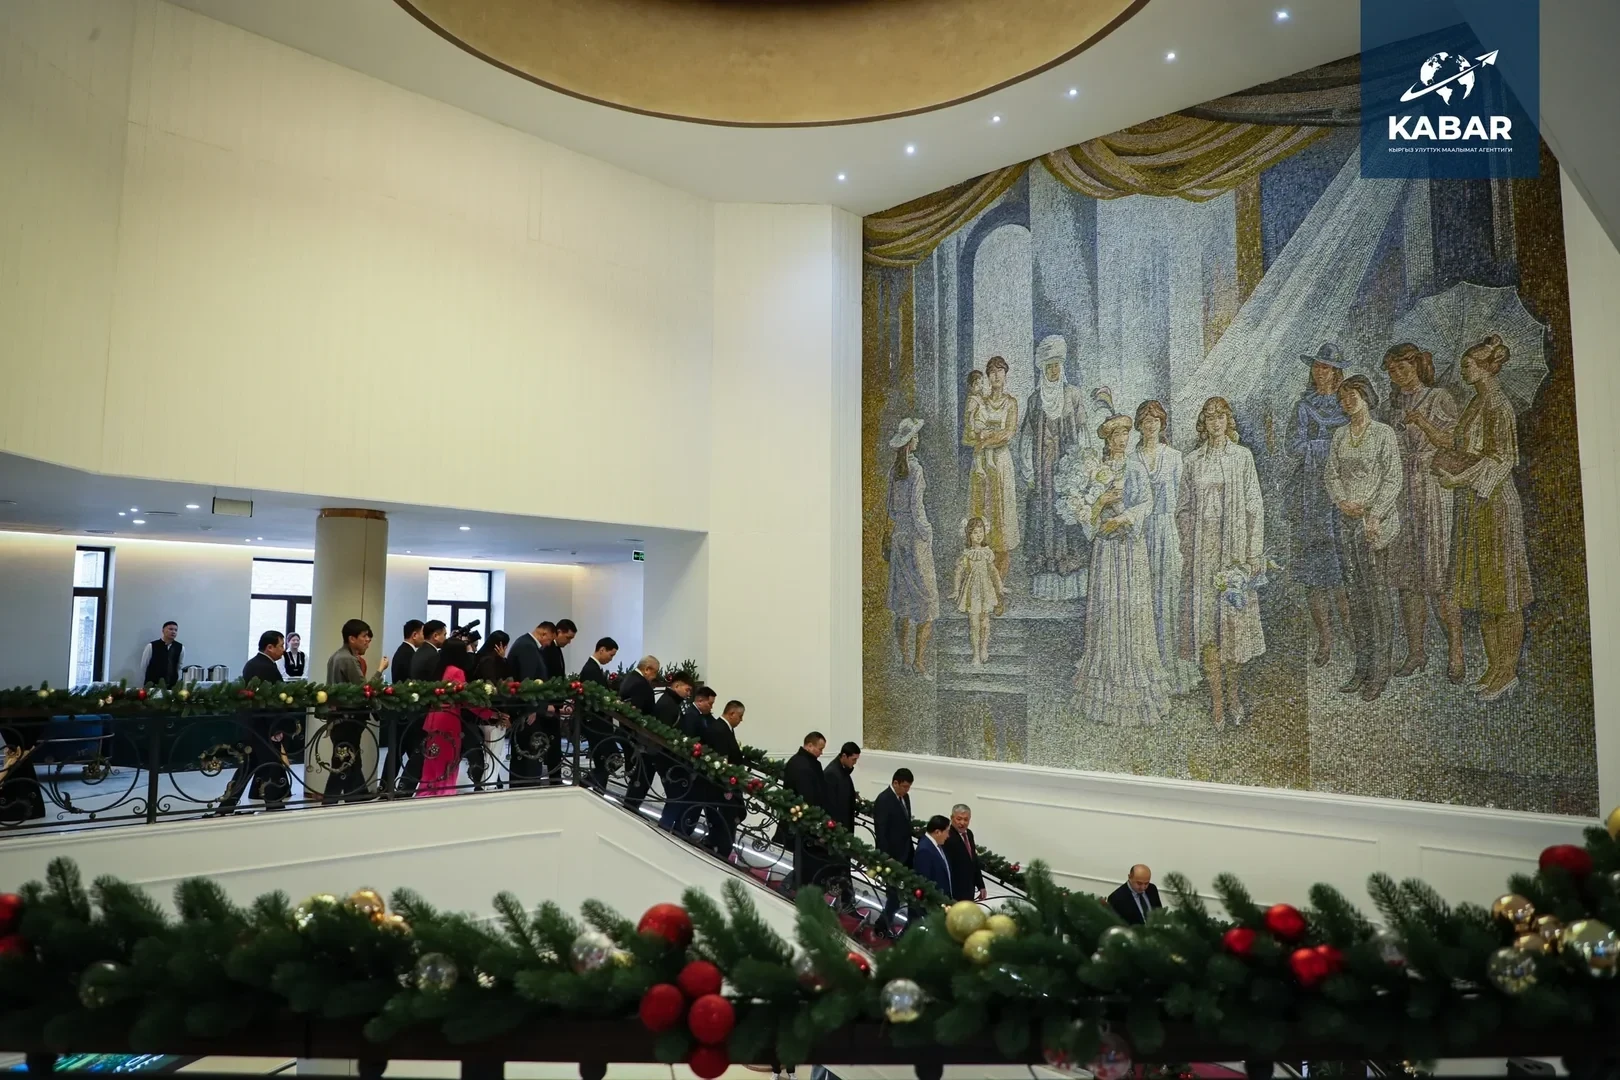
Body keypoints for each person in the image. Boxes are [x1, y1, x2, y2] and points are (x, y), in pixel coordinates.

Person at [1433, 335, 1533, 702]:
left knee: (1505, 593)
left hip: (1496, 504)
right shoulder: (1475, 401)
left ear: (1488, 367)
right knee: (1484, 592)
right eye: (1464, 365)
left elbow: (1502, 459)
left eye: (1468, 365)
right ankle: (1493, 668)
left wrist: (1457, 478)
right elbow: (1464, 447)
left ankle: (1508, 672)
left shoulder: (1498, 405)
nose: (1464, 370)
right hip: (1474, 505)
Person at [1071, 411, 1172, 727]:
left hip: (1130, 547)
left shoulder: (1136, 468)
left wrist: (1122, 518)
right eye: (1116, 435)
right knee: (1108, 610)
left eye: (1126, 434)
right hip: (1106, 549)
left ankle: (1137, 685)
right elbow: (1084, 514)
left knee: (1132, 611)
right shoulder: (1095, 471)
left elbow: (1147, 504)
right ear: (1107, 439)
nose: (1122, 440)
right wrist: (1101, 502)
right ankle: (1105, 686)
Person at [1178, 397, 1266, 729]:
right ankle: (1216, 702)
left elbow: (1255, 506)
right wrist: (1189, 543)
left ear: (1228, 421)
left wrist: (1253, 552)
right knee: (1208, 629)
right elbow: (1182, 509)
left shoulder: (1242, 457)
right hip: (1203, 556)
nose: (1216, 423)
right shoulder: (1192, 461)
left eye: (1221, 417)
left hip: (1233, 552)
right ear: (1203, 423)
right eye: (1210, 417)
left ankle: (1234, 697)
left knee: (1233, 626)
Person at [1383, 343, 1465, 683]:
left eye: (1403, 367)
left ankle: (1456, 650)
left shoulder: (1439, 397)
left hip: (1433, 488)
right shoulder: (1391, 405)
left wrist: (1422, 421)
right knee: (1407, 579)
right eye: (1392, 370)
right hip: (1402, 491)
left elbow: (1452, 442)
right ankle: (1416, 651)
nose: (1398, 375)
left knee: (1439, 575)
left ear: (1417, 366)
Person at [1324, 374, 1402, 703]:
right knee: (1355, 596)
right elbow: (1331, 473)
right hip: (1347, 521)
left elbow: (1393, 478)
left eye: (1352, 396)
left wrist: (1375, 515)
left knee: (1377, 596)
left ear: (1366, 397)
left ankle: (1380, 671)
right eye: (1342, 398)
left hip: (1375, 524)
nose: (1347, 402)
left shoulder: (1383, 434)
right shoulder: (1340, 435)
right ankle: (1362, 667)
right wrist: (1342, 501)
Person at [1289, 344, 1354, 667]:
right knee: (1315, 574)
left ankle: (1352, 636)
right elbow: (1294, 446)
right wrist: (1326, 447)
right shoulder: (1303, 407)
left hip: (1344, 494)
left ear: (1336, 372)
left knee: (1344, 572)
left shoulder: (1348, 403)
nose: (1320, 371)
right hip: (1312, 496)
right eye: (1316, 366)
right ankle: (1325, 639)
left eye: (1326, 367)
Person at [1019, 335, 1090, 601]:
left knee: (1069, 515)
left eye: (1057, 365)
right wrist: (1029, 471)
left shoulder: (1073, 395)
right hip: (1043, 471)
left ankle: (1071, 582)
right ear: (1043, 368)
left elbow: (1083, 432)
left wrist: (1083, 465)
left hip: (1068, 467)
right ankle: (1046, 579)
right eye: (1049, 366)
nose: (1054, 370)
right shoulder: (1034, 400)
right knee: (1044, 516)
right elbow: (1027, 439)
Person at [1133, 401, 1191, 692]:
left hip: (1169, 531)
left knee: (1169, 595)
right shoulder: (1132, 459)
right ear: (1139, 425)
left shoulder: (1175, 457)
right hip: (1141, 533)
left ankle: (1173, 670)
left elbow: (1184, 501)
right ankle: (1147, 669)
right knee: (1144, 598)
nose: (1151, 424)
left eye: (1155, 419)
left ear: (1162, 423)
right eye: (1146, 420)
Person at [884, 418, 939, 679]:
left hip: (899, 537)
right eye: (916, 436)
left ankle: (906, 661)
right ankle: (918, 662)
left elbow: (891, 510)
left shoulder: (893, 472)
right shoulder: (916, 470)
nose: (918, 439)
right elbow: (917, 510)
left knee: (904, 602)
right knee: (927, 602)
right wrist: (927, 532)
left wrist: (900, 526)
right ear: (910, 443)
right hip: (916, 539)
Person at [217, 631, 288, 816]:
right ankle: (274, 803)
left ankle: (227, 804)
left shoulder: (253, 663)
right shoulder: (265, 667)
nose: (283, 650)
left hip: (252, 724)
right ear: (269, 647)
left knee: (248, 765)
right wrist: (276, 727)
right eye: (281, 645)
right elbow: (268, 700)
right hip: (263, 726)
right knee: (271, 764)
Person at [967, 355, 1021, 594]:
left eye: (1000, 371)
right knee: (982, 511)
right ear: (987, 376)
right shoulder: (981, 401)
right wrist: (986, 437)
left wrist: (986, 440)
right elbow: (972, 431)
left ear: (1005, 375)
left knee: (1002, 519)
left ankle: (998, 586)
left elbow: (1008, 433)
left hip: (1001, 465)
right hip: (982, 467)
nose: (996, 376)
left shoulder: (1011, 403)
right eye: (992, 372)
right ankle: (981, 584)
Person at [321, 618, 387, 804]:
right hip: (347, 718)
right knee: (344, 760)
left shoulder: (337, 656)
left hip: (340, 717)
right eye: (364, 636)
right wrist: (380, 670)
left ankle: (357, 796)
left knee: (351, 759)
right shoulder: (347, 659)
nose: (368, 640)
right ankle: (331, 800)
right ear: (352, 638)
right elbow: (365, 690)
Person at [416, 639, 483, 797]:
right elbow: (465, 699)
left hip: (433, 719)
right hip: (448, 720)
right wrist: (490, 714)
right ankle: (444, 793)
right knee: (448, 761)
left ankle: (427, 792)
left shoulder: (440, 669)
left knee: (432, 760)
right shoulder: (456, 672)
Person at [508, 622, 562, 785]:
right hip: (526, 711)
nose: (548, 644)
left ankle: (524, 786)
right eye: (549, 640)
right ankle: (527, 788)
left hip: (526, 708)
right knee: (529, 753)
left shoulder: (526, 643)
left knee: (527, 754)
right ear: (544, 633)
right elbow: (527, 680)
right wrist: (532, 708)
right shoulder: (527, 646)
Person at [951, 517, 1002, 665]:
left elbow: (993, 571)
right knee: (974, 623)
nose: (978, 535)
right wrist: (956, 590)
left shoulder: (987, 552)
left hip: (985, 590)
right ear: (968, 535)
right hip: (971, 592)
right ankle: (975, 654)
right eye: (974, 532)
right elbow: (958, 572)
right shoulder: (967, 554)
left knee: (985, 621)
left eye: (981, 532)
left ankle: (984, 648)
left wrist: (1000, 586)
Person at [383, 619, 427, 792]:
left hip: (404, 711)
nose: (424, 637)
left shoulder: (404, 651)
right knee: (403, 751)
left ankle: (392, 786)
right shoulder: (407, 654)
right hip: (406, 711)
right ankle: (394, 786)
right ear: (414, 634)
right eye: (423, 633)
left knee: (405, 750)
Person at [872, 768, 915, 938]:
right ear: (895, 783)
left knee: (911, 893)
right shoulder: (884, 800)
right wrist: (886, 856)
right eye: (904, 786)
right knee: (894, 896)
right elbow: (881, 831)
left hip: (907, 853)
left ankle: (907, 927)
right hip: (893, 857)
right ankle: (882, 926)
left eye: (909, 787)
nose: (906, 790)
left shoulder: (905, 797)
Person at [467, 631, 512, 790]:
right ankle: (487, 787)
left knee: (488, 753)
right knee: (494, 754)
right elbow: (499, 687)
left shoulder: (478, 658)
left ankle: (486, 786)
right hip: (494, 715)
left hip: (480, 714)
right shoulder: (492, 662)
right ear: (501, 646)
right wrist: (503, 660)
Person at [655, 673, 700, 832]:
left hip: (669, 758)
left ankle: (667, 828)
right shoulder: (668, 704)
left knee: (677, 796)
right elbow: (664, 733)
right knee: (676, 796)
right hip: (667, 758)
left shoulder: (671, 702)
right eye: (687, 690)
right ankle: (664, 829)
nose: (688, 694)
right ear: (676, 685)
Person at [702, 700, 747, 858]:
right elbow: (722, 759)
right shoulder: (720, 729)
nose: (741, 720)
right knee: (725, 820)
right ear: (732, 713)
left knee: (727, 820)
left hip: (725, 785)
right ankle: (720, 849)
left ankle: (720, 846)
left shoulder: (723, 728)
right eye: (740, 716)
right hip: (722, 786)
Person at [616, 655, 661, 811]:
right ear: (647, 669)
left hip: (627, 734)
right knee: (641, 776)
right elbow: (636, 712)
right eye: (655, 672)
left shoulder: (630, 678)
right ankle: (631, 808)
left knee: (638, 775)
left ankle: (631, 807)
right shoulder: (641, 684)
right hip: (637, 739)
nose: (655, 676)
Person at [942, 803, 986, 902]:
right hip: (954, 891)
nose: (962, 823)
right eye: (959, 819)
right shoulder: (947, 836)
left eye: (966, 819)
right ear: (952, 818)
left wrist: (981, 885)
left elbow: (973, 861)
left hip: (969, 889)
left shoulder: (969, 834)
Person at [913, 816, 954, 897]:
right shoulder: (924, 850)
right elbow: (924, 882)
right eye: (947, 832)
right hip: (935, 900)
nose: (948, 836)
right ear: (937, 832)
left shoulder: (938, 845)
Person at [139, 622, 183, 688]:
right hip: (152, 684)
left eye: (175, 630)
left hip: (171, 685)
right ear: (163, 630)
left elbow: (179, 666)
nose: (173, 632)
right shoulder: (151, 646)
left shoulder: (180, 647)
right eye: (170, 629)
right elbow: (144, 665)